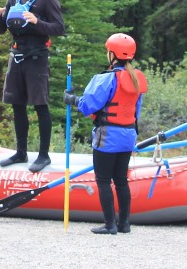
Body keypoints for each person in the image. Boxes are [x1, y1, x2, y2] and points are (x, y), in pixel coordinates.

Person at [63, 33, 148, 234]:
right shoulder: (136, 78)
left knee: (103, 180)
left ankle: (110, 225)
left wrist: (72, 99)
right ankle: (124, 224)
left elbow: (88, 106)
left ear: (112, 54)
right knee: (121, 180)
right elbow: (136, 111)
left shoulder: (105, 79)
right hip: (128, 136)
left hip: (107, 136)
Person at [0, 0, 65, 172]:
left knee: (40, 106)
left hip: (37, 59)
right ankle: (21, 152)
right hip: (16, 57)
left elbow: (59, 28)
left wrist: (37, 22)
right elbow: (1, 31)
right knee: (18, 105)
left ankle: (44, 156)